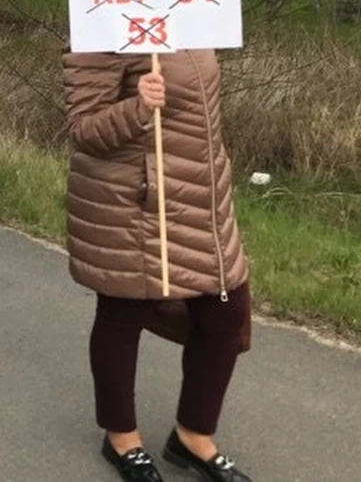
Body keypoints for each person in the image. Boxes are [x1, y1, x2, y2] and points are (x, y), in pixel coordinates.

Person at [63, 50, 252, 482]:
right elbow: (84, 129)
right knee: (123, 312)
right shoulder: (105, 25)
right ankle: (121, 437)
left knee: (226, 313)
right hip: (137, 201)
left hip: (202, 196)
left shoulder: (194, 16)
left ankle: (192, 435)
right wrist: (138, 107)